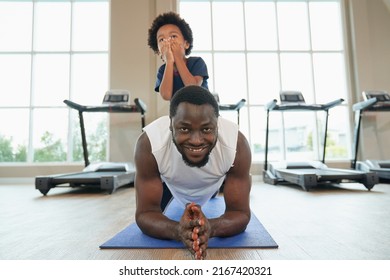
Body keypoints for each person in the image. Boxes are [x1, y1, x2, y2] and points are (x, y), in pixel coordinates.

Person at [134, 85, 252, 260]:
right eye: (184, 129)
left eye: (206, 129)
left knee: (211, 199)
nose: (196, 140)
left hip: (213, 185)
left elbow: (241, 213)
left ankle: (208, 196)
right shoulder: (149, 144)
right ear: (170, 125)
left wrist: (210, 227)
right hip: (170, 183)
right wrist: (178, 231)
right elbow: (145, 214)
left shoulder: (237, 145)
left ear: (217, 125)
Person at [147, 12, 209, 101]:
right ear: (158, 51)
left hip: (204, 111)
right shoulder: (162, 70)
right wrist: (169, 62)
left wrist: (178, 58)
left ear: (186, 44)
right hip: (180, 113)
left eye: (173, 36)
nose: (168, 41)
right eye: (162, 39)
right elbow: (166, 95)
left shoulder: (197, 62)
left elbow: (193, 89)